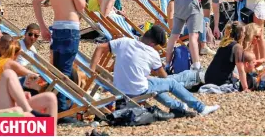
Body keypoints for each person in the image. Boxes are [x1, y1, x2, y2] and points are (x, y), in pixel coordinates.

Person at [90, 25, 219, 117]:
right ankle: (200, 107)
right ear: (152, 44)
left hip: (120, 89)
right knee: (171, 83)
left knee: (155, 85)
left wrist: (92, 70)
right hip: (136, 90)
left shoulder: (124, 42)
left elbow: (100, 48)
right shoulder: (152, 52)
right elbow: (164, 78)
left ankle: (179, 107)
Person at [32, 0, 86, 122]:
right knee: (65, 71)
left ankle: (57, 105)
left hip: (56, 27)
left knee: (56, 70)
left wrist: (42, 27)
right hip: (70, 27)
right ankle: (62, 110)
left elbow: (36, 2)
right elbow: (81, 7)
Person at [204, 22, 252, 91]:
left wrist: (233, 75)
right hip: (221, 82)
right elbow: (241, 69)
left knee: (237, 77)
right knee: (249, 79)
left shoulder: (224, 43)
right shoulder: (237, 47)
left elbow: (223, 64)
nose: (245, 35)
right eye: (244, 33)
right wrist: (245, 88)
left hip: (208, 78)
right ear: (240, 34)